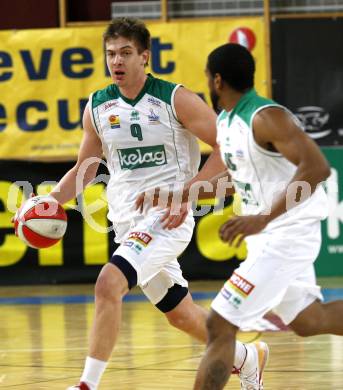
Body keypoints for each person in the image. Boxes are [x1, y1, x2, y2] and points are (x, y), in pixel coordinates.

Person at [36, 18, 266, 390]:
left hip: (166, 218)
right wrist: (48, 200)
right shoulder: (97, 106)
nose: (117, 61)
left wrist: (189, 193)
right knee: (181, 315)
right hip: (127, 223)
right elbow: (86, 167)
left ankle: (85, 385)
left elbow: (228, 146)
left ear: (145, 56)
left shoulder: (174, 98)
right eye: (111, 54)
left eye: (126, 53)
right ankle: (247, 357)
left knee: (108, 284)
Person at [165, 43, 342, 390]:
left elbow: (317, 168)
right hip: (269, 237)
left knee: (219, 324)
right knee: (308, 319)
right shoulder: (229, 122)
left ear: (216, 80)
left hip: (287, 235)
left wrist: (262, 218)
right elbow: (239, 179)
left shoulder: (266, 117)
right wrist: (182, 193)